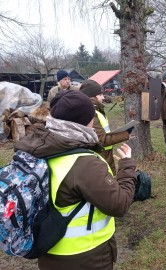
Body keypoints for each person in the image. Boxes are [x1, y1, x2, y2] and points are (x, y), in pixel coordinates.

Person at [14, 90, 137, 270]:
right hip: (86, 256)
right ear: (87, 120)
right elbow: (119, 204)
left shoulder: (36, 147)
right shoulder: (84, 163)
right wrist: (127, 166)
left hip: (47, 251)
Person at [80, 79, 132, 173]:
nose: (103, 97)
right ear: (92, 97)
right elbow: (101, 139)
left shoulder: (97, 109)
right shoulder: (91, 112)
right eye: (100, 95)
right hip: (100, 155)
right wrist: (126, 134)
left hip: (105, 153)